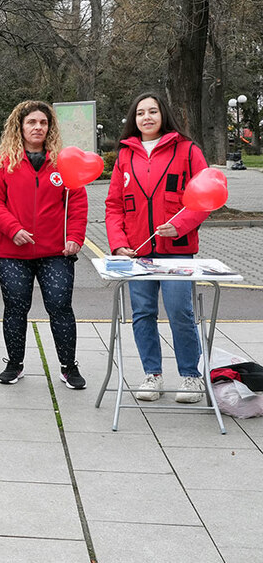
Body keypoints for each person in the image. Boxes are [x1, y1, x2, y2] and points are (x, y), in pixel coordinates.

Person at [105, 92, 210, 403]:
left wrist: (180, 225)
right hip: (138, 252)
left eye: (152, 111)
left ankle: (190, 376)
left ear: (163, 114)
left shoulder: (187, 150)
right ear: (133, 119)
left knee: (180, 312)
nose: (146, 118)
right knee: (143, 313)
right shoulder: (125, 154)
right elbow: (113, 205)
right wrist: (119, 244)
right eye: (140, 113)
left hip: (177, 250)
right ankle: (153, 375)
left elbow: (206, 196)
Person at [0, 100, 87, 389]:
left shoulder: (63, 163)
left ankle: (69, 367)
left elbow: (77, 201)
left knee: (60, 307)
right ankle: (14, 364)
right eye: (32, 122)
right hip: (11, 252)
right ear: (21, 126)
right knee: (15, 309)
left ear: (49, 127)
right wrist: (12, 229)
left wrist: (75, 237)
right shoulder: (5, 162)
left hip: (56, 252)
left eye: (43, 122)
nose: (38, 127)